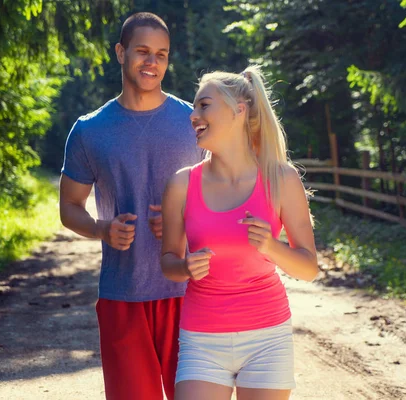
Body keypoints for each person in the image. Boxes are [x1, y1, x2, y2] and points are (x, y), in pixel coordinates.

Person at [59, 12, 204, 400]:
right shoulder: (89, 129)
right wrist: (102, 229)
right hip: (122, 294)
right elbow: (70, 206)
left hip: (190, 292)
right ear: (121, 52)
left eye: (161, 54)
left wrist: (182, 224)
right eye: (142, 51)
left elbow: (228, 197)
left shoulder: (195, 122)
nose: (152, 62)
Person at [161, 66, 319, 400]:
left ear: (239, 110)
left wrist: (271, 247)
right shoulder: (181, 184)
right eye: (194, 107)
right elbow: (168, 262)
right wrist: (185, 267)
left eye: (204, 105)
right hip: (201, 339)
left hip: (267, 337)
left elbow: (308, 268)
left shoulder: (281, 178)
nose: (193, 115)